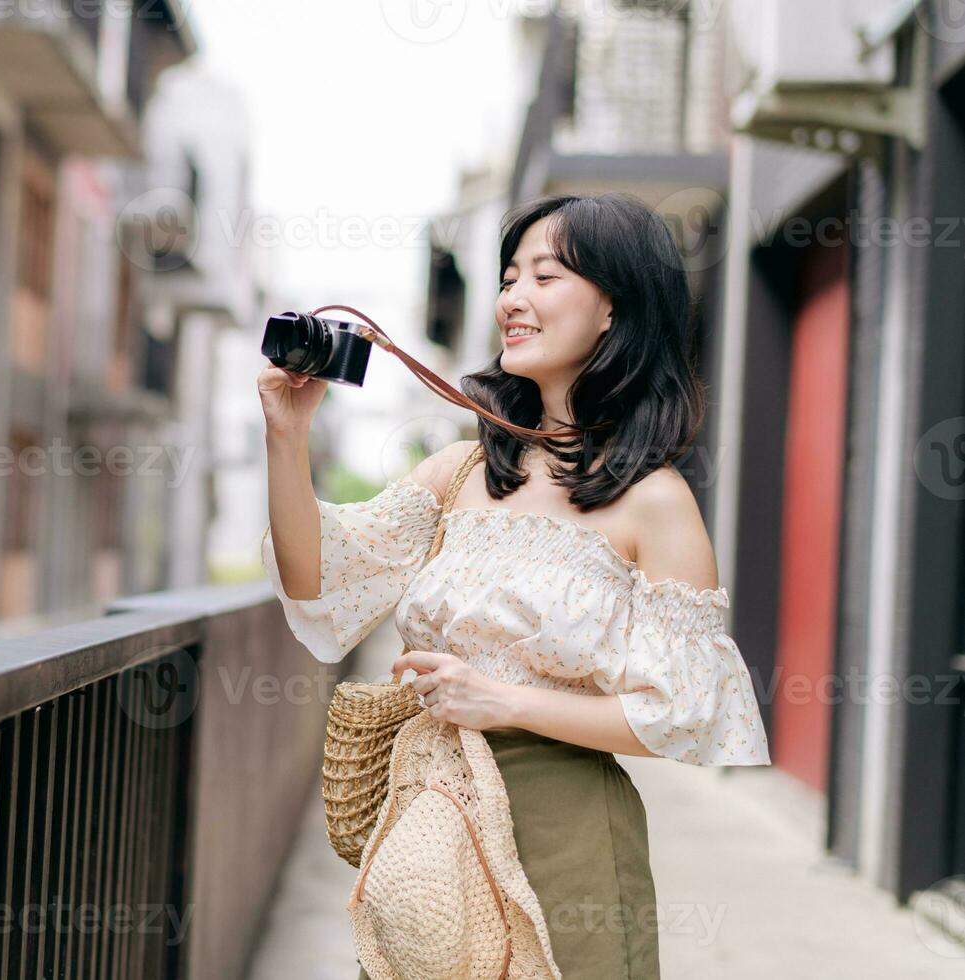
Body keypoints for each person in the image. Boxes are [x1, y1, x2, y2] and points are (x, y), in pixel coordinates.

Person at [259, 192, 771, 980]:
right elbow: (316, 577)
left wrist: (504, 703)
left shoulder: (653, 499)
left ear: (613, 309)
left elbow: (682, 715)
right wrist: (286, 437)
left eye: (544, 275)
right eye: (507, 278)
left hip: (564, 830)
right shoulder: (461, 469)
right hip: (428, 828)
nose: (512, 299)